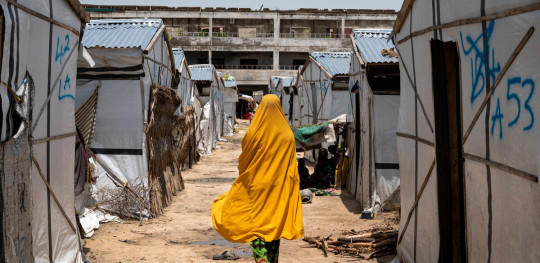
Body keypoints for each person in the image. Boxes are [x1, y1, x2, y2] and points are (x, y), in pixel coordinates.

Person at [212, 95, 304, 263]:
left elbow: (244, 160)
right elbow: (291, 166)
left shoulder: (254, 132)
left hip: (257, 185)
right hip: (279, 187)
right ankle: (272, 259)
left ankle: (261, 257)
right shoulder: (287, 134)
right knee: (273, 223)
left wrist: (246, 175)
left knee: (255, 223)